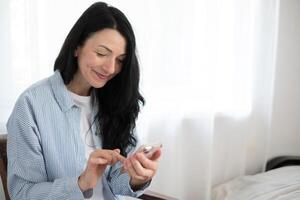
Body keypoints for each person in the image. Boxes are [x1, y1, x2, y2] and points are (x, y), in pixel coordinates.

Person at [6, 2, 161, 199]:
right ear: (76, 47)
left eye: (120, 60)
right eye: (102, 53)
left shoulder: (116, 100)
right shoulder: (31, 106)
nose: (110, 68)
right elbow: (22, 193)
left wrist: (135, 177)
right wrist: (81, 183)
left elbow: (116, 184)